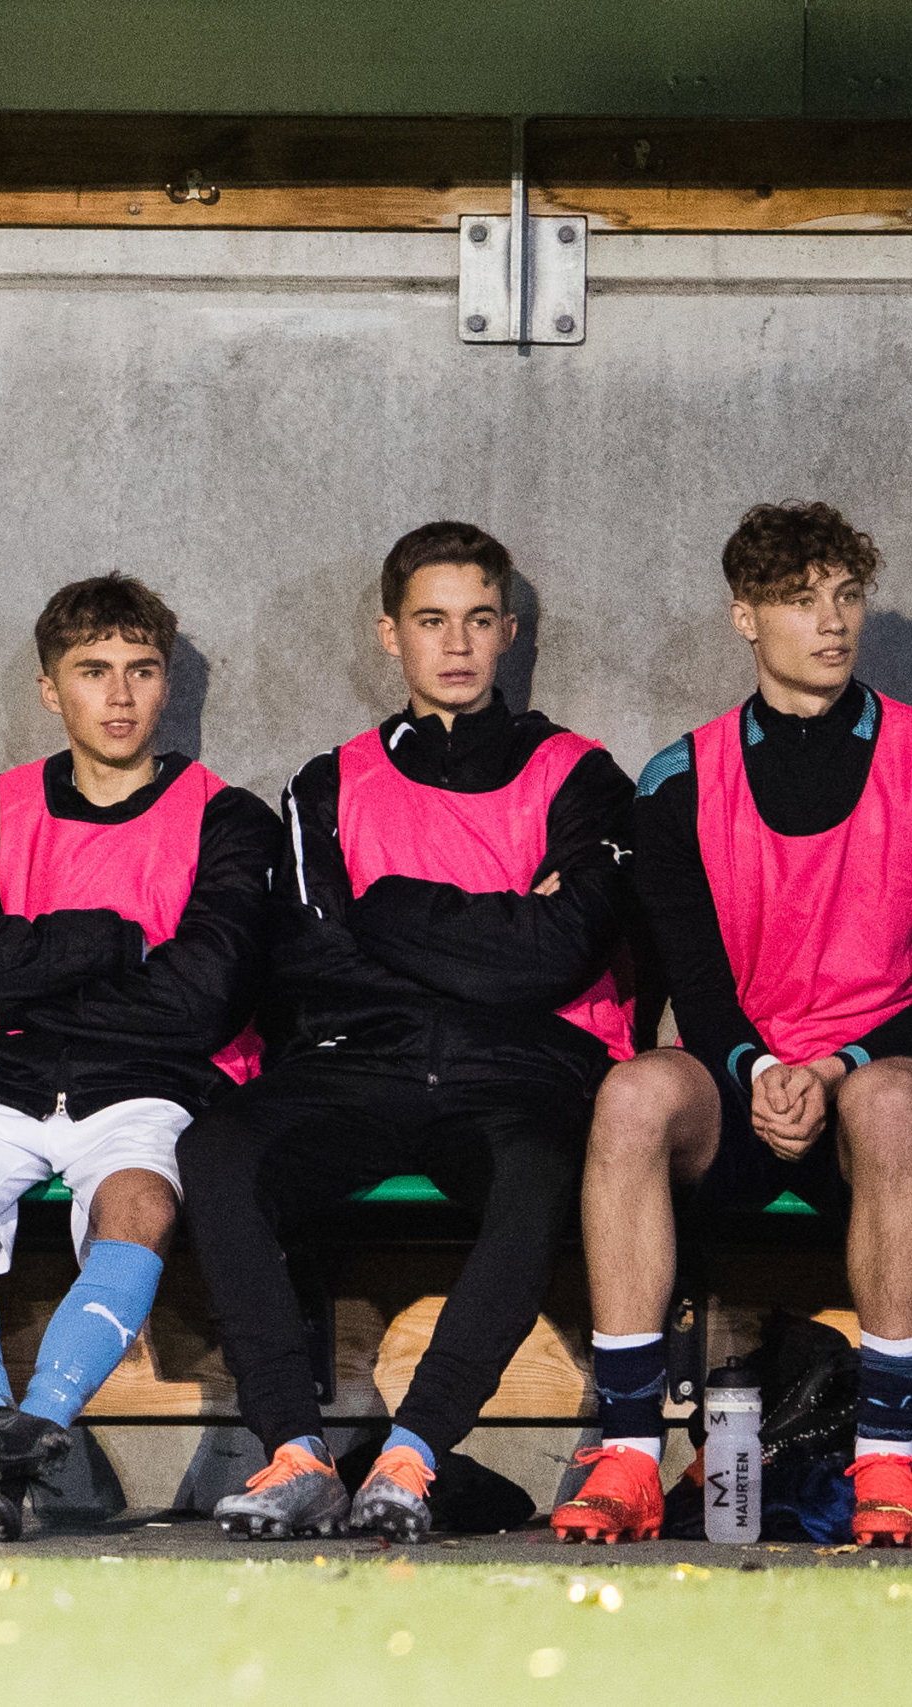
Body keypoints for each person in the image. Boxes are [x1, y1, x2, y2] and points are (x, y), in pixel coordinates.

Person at [183, 521, 635, 1543]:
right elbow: (311, 957)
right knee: (216, 1148)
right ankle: (296, 1454)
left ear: (509, 630)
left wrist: (385, 908)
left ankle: (411, 1455)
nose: (457, 643)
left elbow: (565, 948)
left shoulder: (581, 776)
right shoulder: (328, 782)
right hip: (359, 1064)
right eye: (432, 620)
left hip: (520, 1072)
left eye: (479, 619)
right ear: (391, 634)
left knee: (540, 1171)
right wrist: (499, 936)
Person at [0, 574, 277, 1540]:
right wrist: (115, 940)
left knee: (141, 1204)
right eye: (94, 671)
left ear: (167, 683)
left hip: (148, 1081)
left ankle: (37, 1422)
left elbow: (206, 995)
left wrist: (29, 971)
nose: (120, 694)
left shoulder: (229, 817)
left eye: (142, 669)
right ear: (52, 689)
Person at [555, 503, 912, 1548]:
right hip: (739, 1085)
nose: (832, 622)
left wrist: (837, 1065)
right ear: (744, 618)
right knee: (633, 1091)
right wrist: (758, 1069)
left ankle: (891, 1459)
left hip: (876, 1084)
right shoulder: (680, 777)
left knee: (889, 1104)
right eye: (800, 600)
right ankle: (628, 1456)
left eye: (846, 596)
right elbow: (694, 982)